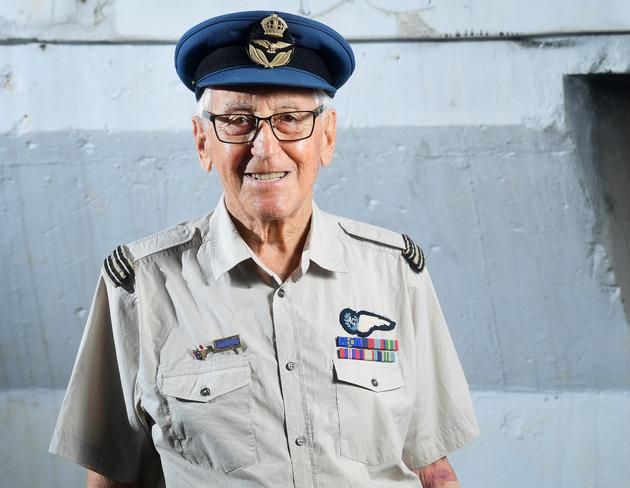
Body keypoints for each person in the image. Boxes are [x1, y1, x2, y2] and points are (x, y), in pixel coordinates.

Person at [49, 10, 479, 488]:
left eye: (290, 120)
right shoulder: (140, 287)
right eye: (237, 121)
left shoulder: (395, 273)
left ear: (327, 137)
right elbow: (112, 477)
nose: (265, 148)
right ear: (202, 141)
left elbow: (433, 471)